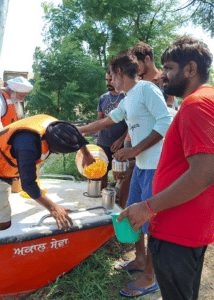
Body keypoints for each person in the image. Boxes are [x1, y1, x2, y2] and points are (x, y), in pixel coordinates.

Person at [117, 36, 214, 300]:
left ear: (191, 69)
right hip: (189, 225)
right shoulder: (206, 100)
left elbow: (204, 172)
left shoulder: (197, 104)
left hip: (177, 230)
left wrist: (148, 207)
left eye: (169, 68)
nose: (163, 76)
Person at [78, 50, 172, 297]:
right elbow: (108, 121)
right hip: (141, 165)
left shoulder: (146, 90)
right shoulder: (127, 99)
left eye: (111, 75)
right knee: (133, 215)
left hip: (155, 165)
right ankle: (140, 261)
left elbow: (165, 122)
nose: (111, 80)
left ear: (119, 73)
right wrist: (79, 131)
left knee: (151, 222)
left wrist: (134, 151)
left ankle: (151, 277)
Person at [0, 114, 95, 232]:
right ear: (54, 148)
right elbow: (28, 185)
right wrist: (54, 208)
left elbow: (74, 133)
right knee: (0, 222)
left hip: (6, 167)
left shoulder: (56, 127)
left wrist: (86, 154)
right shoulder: (27, 145)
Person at [96, 67, 127, 190]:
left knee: (119, 173)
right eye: (106, 80)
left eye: (111, 80)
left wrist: (121, 140)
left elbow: (131, 123)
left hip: (120, 144)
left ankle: (118, 197)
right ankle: (102, 193)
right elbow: (100, 120)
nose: (108, 82)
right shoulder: (103, 98)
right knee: (101, 170)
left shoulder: (125, 97)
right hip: (103, 142)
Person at [131, 42, 177, 110]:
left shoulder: (166, 82)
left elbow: (172, 112)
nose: (134, 68)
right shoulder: (136, 83)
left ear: (147, 59)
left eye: (136, 64)